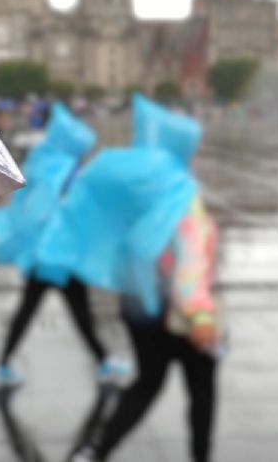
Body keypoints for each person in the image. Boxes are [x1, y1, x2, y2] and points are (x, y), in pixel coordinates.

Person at [36, 94, 222, 462]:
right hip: (178, 310)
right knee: (201, 390)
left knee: (146, 386)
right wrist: (199, 315)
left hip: (138, 303)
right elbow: (190, 260)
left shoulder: (139, 187)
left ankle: (95, 450)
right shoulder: (180, 195)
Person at [0, 103, 129, 387]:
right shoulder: (68, 173)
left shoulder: (43, 165)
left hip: (41, 256)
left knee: (31, 311)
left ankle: (3, 365)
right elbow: (84, 210)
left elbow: (32, 210)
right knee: (80, 313)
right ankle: (105, 363)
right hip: (63, 257)